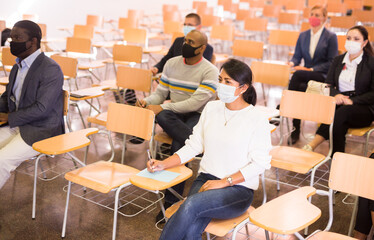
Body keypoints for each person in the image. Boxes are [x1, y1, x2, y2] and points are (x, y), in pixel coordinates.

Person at [146, 58, 272, 239]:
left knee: (190, 206)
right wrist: (163, 164)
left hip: (238, 189)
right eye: (220, 80)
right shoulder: (211, 108)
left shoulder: (257, 119)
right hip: (206, 179)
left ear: (243, 88)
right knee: (191, 229)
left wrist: (224, 181)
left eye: (228, 81)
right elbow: (193, 145)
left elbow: (259, 164)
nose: (221, 85)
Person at [136, 29, 219, 221]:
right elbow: (161, 94)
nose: (185, 44)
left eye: (191, 42)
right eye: (185, 40)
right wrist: (148, 102)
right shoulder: (172, 64)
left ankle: (170, 203)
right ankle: (199, 147)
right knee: (163, 116)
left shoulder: (210, 71)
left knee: (177, 144)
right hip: (174, 115)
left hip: (197, 115)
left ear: (202, 48)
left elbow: (194, 104)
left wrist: (163, 108)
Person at [0, 20, 64, 189]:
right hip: (19, 123)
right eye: (11, 38)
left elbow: (42, 109)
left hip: (41, 129)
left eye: (17, 37)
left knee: (2, 160)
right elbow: (8, 97)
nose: (11, 42)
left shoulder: (50, 69)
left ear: (33, 41)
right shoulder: (18, 65)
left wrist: (10, 117)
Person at [302, 26, 374, 155]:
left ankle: (327, 151)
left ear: (364, 43)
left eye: (356, 39)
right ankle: (336, 157)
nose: (351, 41)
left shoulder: (371, 63)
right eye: (349, 38)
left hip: (363, 107)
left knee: (340, 113)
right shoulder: (338, 60)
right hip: (339, 102)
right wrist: (336, 96)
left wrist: (353, 101)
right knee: (335, 112)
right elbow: (328, 85)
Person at [288, 5, 338, 144]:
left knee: (298, 76)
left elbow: (332, 61)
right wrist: (291, 63)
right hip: (305, 77)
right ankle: (296, 127)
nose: (314, 17)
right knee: (300, 86)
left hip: (322, 75)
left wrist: (310, 70)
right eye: (312, 14)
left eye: (317, 15)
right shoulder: (303, 35)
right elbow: (296, 56)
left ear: (324, 18)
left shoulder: (331, 37)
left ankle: (287, 105)